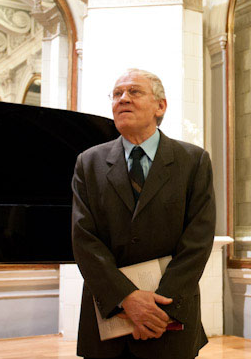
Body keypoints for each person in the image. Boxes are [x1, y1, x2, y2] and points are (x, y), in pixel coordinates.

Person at [71, 68, 216, 359]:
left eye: (134, 91)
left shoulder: (193, 160)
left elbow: (197, 242)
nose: (123, 99)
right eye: (117, 94)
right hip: (108, 320)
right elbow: (84, 239)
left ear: (160, 106)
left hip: (169, 319)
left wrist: (157, 309)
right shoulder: (88, 162)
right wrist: (126, 298)